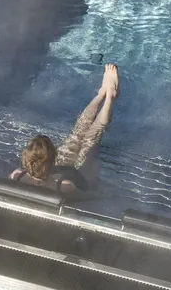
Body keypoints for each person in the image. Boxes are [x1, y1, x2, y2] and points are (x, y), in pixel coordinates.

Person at [10, 63, 119, 193]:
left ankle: (104, 95)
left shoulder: (16, 176)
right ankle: (107, 96)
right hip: (78, 173)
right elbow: (86, 197)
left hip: (59, 170)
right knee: (88, 136)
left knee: (83, 134)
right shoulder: (64, 186)